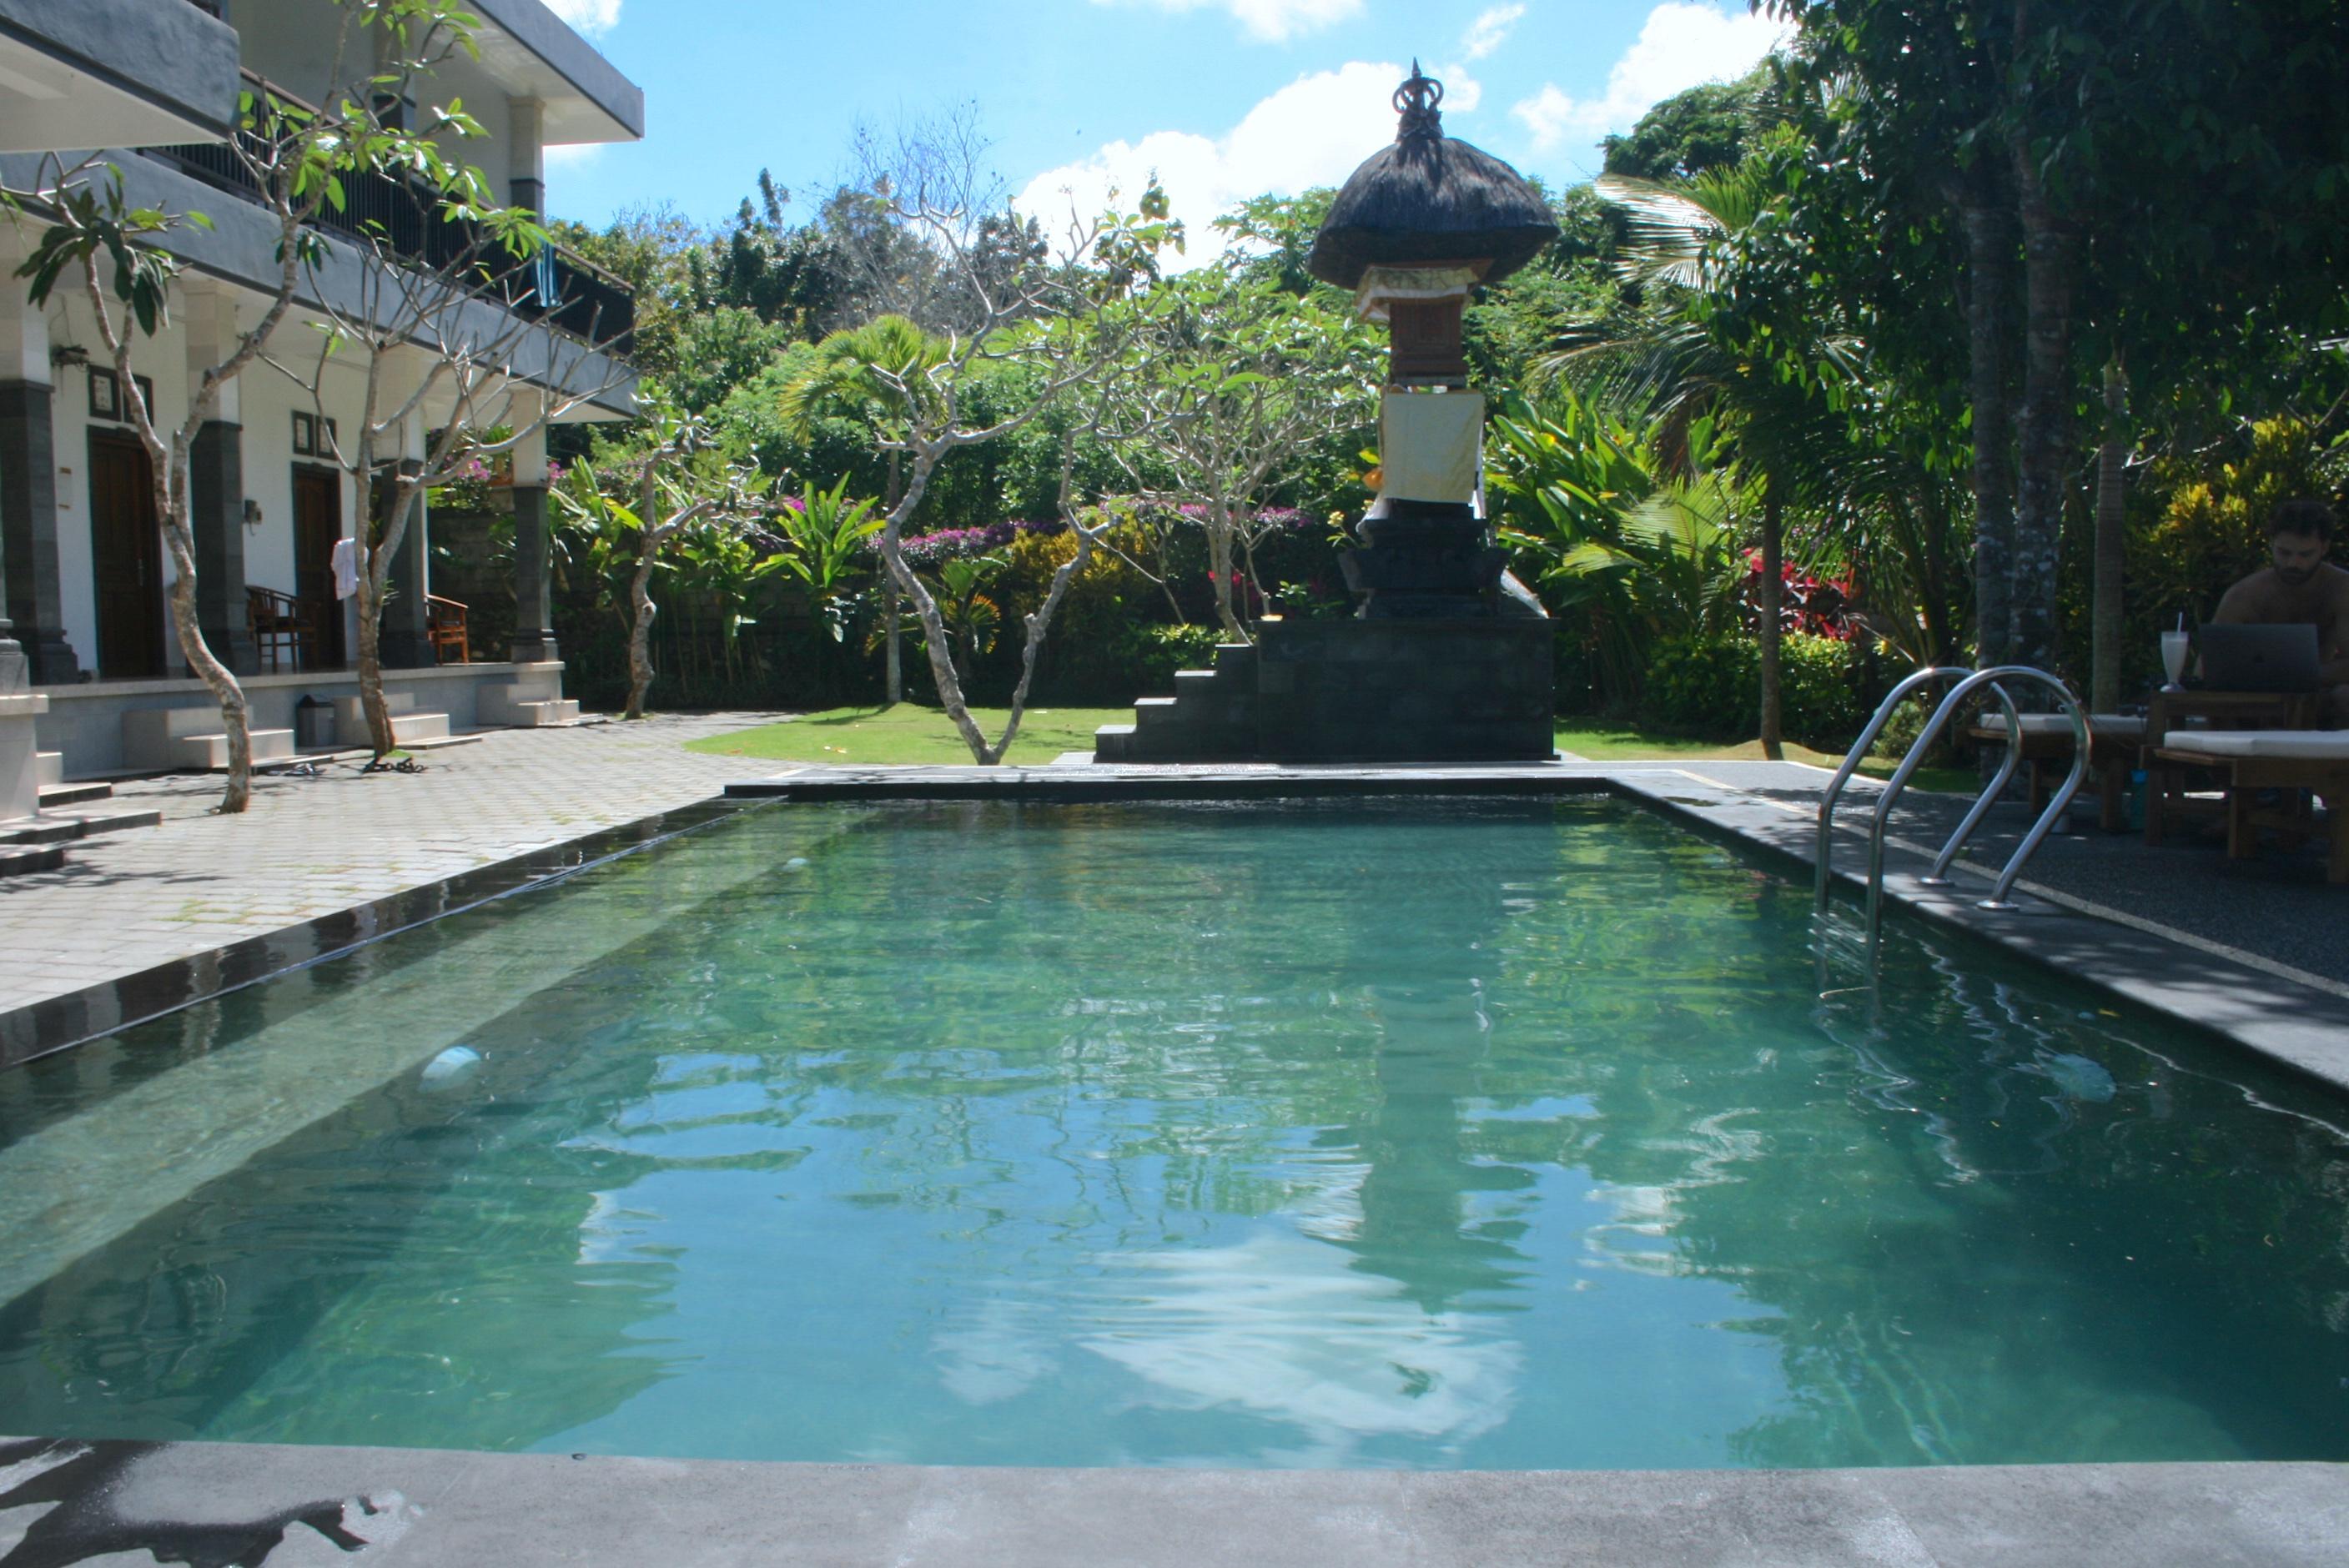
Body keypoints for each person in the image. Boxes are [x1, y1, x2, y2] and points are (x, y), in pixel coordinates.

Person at [2212, 498, 2349, 726]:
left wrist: (2292, 675)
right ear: (2272, 544)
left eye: (2305, 555)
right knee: (2217, 701)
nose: (2293, 563)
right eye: (2284, 552)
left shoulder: (2342, 591)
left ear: (2324, 548)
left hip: (2320, 696)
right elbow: (2208, 667)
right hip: (2255, 700)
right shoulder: (2245, 595)